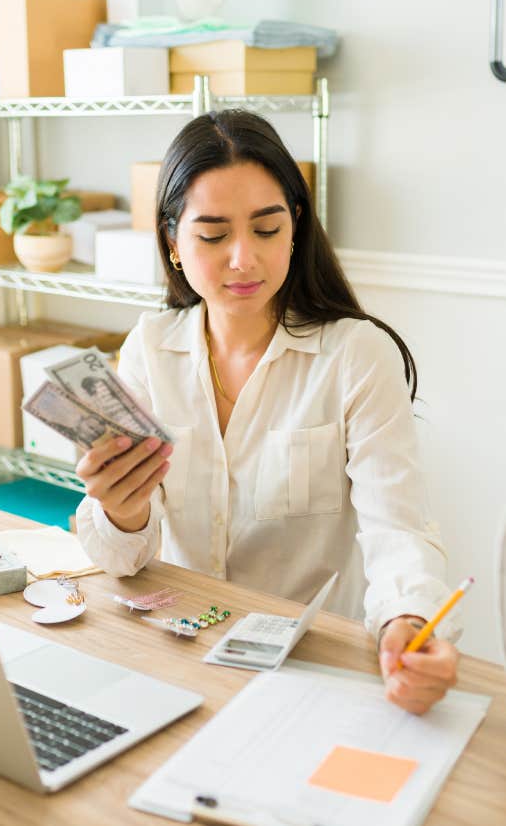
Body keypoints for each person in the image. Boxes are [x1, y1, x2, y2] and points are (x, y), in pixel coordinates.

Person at [75, 110, 459, 715]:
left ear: (295, 228)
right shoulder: (149, 348)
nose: (243, 260)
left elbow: (398, 529)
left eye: (265, 229)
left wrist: (406, 620)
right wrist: (122, 513)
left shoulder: (356, 355)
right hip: (178, 655)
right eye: (212, 235)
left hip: (308, 670)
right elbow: (121, 562)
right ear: (173, 243)